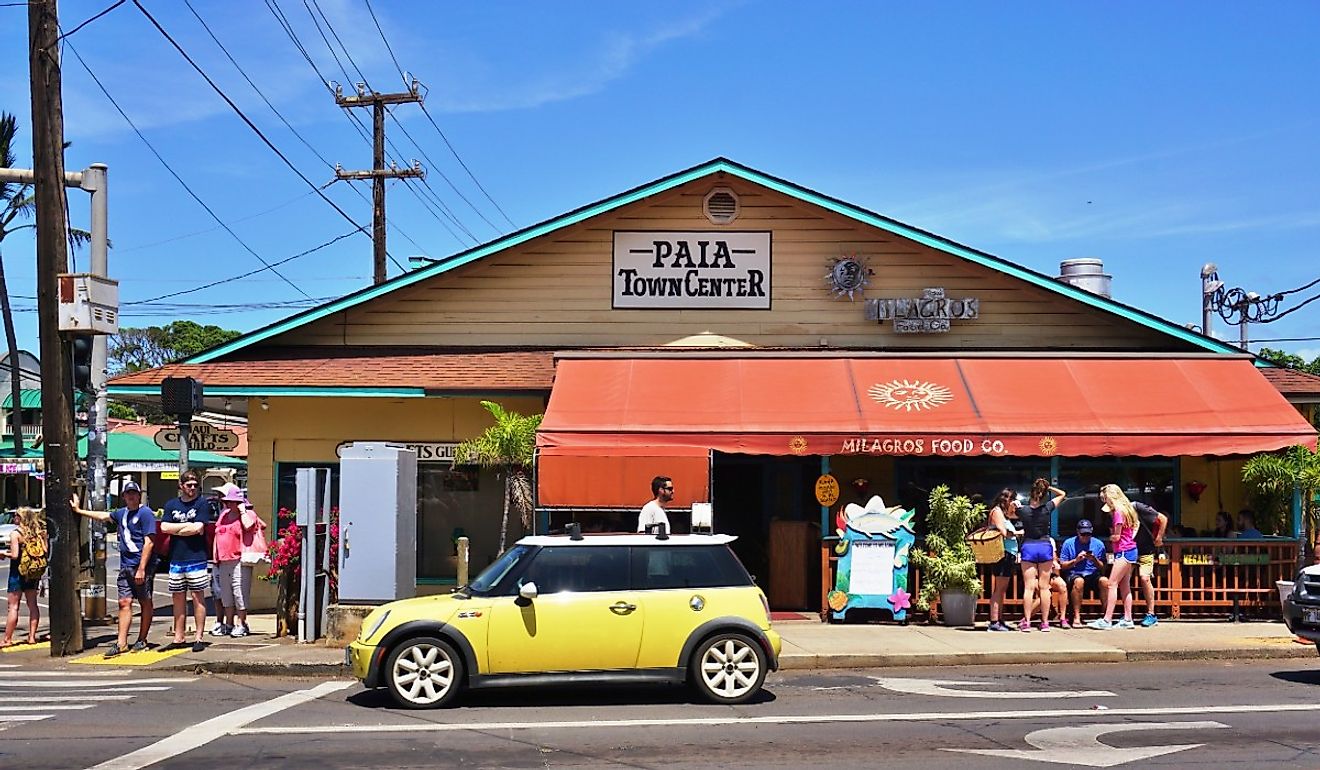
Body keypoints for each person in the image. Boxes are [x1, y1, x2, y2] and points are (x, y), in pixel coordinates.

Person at [72, 483, 155, 657]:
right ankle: (121, 642)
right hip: (125, 566)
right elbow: (103, 516)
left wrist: (141, 568)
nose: (131, 497)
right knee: (124, 602)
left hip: (140, 565)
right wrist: (79, 511)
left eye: (134, 493)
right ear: (123, 496)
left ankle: (142, 639)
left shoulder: (145, 513)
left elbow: (149, 542)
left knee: (145, 601)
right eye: (128, 494)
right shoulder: (121, 514)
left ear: (139, 496)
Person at [160, 469, 215, 652]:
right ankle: (179, 637)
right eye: (188, 485)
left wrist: (178, 529)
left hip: (196, 558)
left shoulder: (202, 504)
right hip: (176, 559)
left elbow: (198, 528)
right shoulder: (171, 505)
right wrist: (185, 527)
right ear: (181, 486)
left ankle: (199, 637)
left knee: (197, 597)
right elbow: (164, 527)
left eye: (195, 485)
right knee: (178, 599)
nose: (192, 488)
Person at [211, 485, 261, 638]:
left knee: (239, 592)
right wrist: (215, 556)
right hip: (224, 560)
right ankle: (229, 623)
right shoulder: (224, 515)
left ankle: (242, 623)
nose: (229, 504)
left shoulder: (247, 514)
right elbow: (217, 534)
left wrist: (242, 510)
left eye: (233, 501)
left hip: (239, 559)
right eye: (227, 501)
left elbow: (249, 526)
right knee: (226, 594)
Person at [1016, 479, 1066, 632]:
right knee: (1044, 588)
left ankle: (1027, 622)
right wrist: (1048, 487)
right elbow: (1063, 494)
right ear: (1044, 494)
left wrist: (1015, 506)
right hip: (1044, 546)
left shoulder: (1022, 510)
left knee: (1029, 587)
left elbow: (1010, 512)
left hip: (1029, 546)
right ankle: (1045, 623)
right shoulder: (1047, 508)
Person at [1089, 484, 1139, 630]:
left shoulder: (1118, 512)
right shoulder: (1128, 510)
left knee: (1112, 584)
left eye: (1106, 499)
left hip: (1123, 550)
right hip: (1130, 550)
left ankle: (1107, 619)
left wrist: (1110, 537)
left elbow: (1117, 536)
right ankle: (1128, 618)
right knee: (1125, 586)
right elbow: (1134, 527)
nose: (1106, 502)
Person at [0, 506, 47, 647]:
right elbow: (44, 551)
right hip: (33, 572)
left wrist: (3, 554)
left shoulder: (16, 534)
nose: (14, 518)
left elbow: (14, 555)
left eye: (16, 516)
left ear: (21, 518)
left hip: (17, 573)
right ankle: (32, 636)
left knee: (13, 607)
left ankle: (7, 639)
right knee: (32, 605)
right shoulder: (37, 533)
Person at [1059, 519, 1109, 628]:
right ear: (1078, 532)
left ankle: (1106, 617)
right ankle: (1077, 617)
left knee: (1105, 581)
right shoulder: (1068, 543)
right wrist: (1076, 560)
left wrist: (1094, 559)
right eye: (1083, 534)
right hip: (1074, 573)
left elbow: (1103, 567)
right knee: (1079, 581)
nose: (1085, 537)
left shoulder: (1099, 544)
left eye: (1088, 534)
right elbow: (1062, 566)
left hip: (1092, 574)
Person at [983, 488, 1020, 632]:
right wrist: (1018, 533)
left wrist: (1016, 509)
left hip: (1009, 554)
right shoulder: (997, 512)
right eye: (1012, 500)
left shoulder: (1004, 513)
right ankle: (993, 621)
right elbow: (1003, 532)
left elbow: (1016, 516)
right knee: (999, 589)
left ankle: (999, 619)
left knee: (1002, 589)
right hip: (1002, 554)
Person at [1132, 500, 1169, 627]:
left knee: (1145, 578)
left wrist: (1159, 537)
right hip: (1129, 550)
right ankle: (1127, 614)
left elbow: (1163, 518)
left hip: (1146, 550)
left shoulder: (1137, 507)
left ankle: (1151, 613)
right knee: (1123, 580)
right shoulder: (1115, 512)